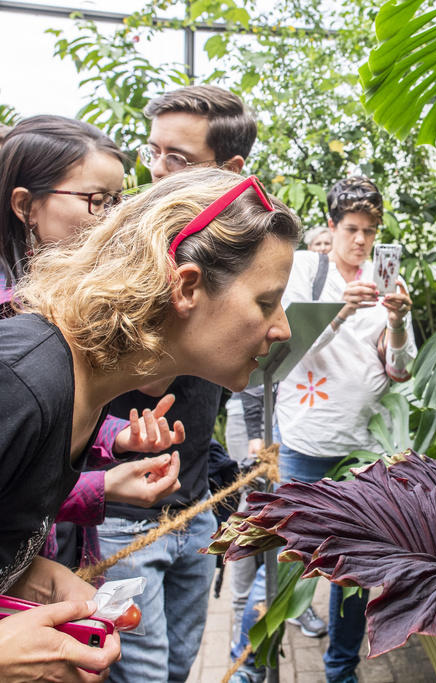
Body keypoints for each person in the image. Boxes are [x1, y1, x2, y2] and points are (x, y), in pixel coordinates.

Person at [0, 166, 300, 680]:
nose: (283, 328)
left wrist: (30, 576)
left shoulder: (84, 397)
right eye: (265, 302)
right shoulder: (23, 381)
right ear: (186, 287)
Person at [90, 85, 267, 683]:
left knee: (176, 670)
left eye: (180, 159)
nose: (157, 171)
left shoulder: (240, 255)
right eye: (154, 152)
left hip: (194, 511)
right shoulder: (123, 246)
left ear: (233, 171)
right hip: (122, 516)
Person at [230, 175, 416, 683]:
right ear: (332, 227)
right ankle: (248, 667)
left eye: (370, 232)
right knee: (285, 569)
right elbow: (274, 355)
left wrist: (396, 319)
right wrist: (340, 312)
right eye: (352, 229)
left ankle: (340, 671)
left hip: (363, 455)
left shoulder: (388, 284)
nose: (361, 241)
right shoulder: (304, 274)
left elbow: (400, 370)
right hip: (304, 448)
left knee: (352, 578)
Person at [0, 115, 186, 572]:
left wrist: (112, 437)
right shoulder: (15, 331)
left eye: (118, 201)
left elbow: (43, 422)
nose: (112, 220)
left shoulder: (55, 297)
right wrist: (101, 487)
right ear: (25, 205)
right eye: (96, 201)